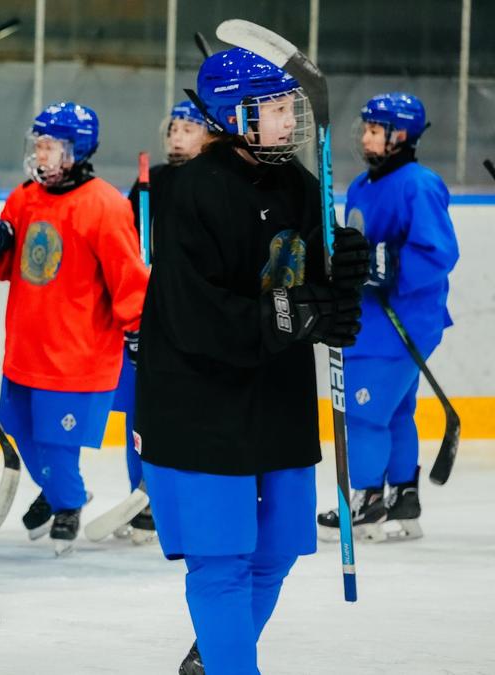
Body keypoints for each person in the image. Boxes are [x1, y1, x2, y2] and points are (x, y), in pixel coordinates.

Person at [134, 48, 369, 674]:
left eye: (286, 105)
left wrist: (345, 271)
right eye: (269, 107)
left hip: (277, 396)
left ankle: (215, 653)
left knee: (278, 550)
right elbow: (197, 315)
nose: (286, 119)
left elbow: (315, 278)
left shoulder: (298, 181)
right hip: (200, 402)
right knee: (223, 559)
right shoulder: (188, 191)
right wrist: (306, 314)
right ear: (233, 115)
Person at [0, 101, 149, 555]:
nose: (39, 153)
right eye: (37, 144)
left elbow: (127, 274)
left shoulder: (105, 205)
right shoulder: (23, 198)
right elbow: (7, 268)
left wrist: (137, 326)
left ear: (75, 151)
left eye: (49, 146)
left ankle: (68, 501)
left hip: (77, 352)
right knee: (22, 433)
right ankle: (61, 493)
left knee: (56, 442)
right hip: (25, 348)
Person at [317, 92, 458, 543]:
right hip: (373, 320)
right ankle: (403, 497)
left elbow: (438, 253)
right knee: (396, 412)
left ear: (400, 136)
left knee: (363, 416)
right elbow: (358, 246)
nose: (365, 136)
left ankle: (367, 499)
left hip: (402, 322)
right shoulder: (362, 186)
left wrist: (390, 265)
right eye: (365, 128)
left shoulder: (419, 184)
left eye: (374, 130)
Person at [112, 99, 210, 544]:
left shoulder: (217, 183)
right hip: (151, 315)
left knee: (192, 411)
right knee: (141, 409)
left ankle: (189, 498)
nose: (177, 136)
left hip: (198, 319)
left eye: (188, 129)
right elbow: (128, 246)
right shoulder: (152, 181)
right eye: (174, 128)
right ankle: (145, 497)